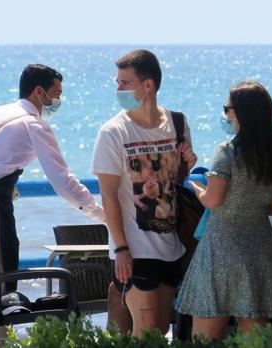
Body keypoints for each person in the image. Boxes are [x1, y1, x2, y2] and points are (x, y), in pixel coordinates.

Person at [0, 64, 104, 337]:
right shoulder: (34, 125)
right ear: (40, 92)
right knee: (0, 294)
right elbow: (63, 182)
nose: (58, 101)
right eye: (57, 93)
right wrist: (101, 214)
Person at [91, 49, 197, 336]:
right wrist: (122, 249)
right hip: (135, 250)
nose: (117, 89)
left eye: (124, 83)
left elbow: (175, 183)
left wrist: (188, 162)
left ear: (147, 85)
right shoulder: (113, 133)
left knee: (159, 331)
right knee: (148, 331)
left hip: (171, 245)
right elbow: (109, 197)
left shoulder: (177, 123)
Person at [175, 81, 272, 339]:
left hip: (223, 248)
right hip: (260, 249)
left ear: (241, 112)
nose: (225, 114)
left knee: (205, 339)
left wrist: (196, 187)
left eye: (227, 108)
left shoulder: (226, 153)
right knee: (256, 340)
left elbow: (213, 200)